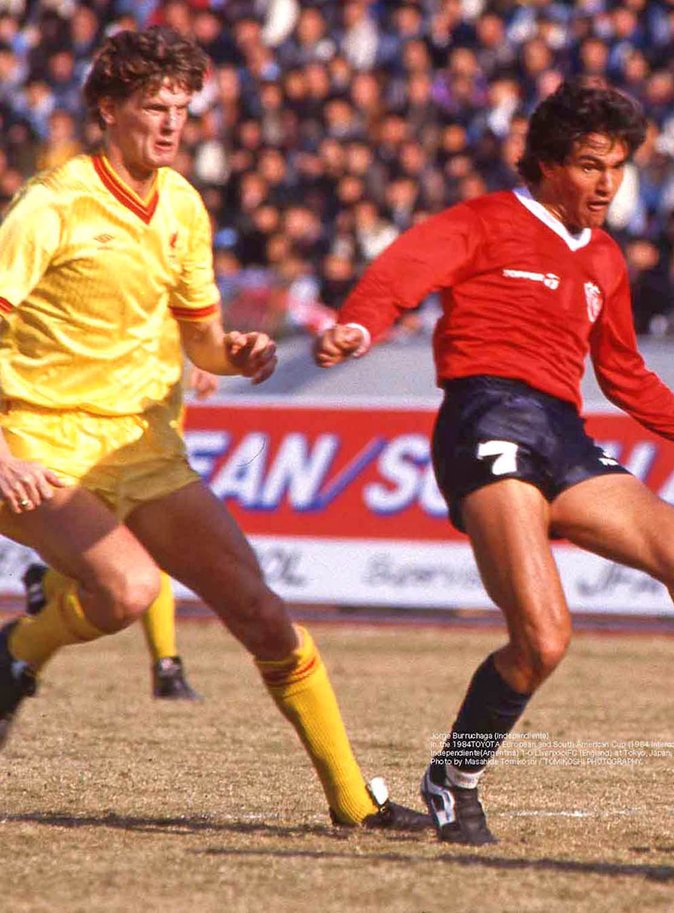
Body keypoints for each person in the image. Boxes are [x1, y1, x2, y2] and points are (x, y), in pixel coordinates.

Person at [314, 79, 674, 846]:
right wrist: (359, 328)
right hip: (484, 419)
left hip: (562, 434)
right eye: (593, 164)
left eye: (620, 166)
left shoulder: (603, 258)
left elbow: (625, 376)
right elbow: (400, 273)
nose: (608, 183)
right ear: (546, 163)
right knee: (543, 640)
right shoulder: (488, 220)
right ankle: (454, 775)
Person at [0, 26, 427, 831]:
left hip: (146, 448)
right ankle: (21, 646)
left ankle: (353, 802)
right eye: (152, 107)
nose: (169, 124)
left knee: (263, 613)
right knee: (126, 589)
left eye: (181, 109)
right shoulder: (50, 204)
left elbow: (201, 339)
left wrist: (237, 352)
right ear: (106, 110)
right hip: (42, 442)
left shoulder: (185, 206)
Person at [21, 365, 218, 701]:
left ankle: (47, 592)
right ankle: (165, 666)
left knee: (148, 544)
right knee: (135, 546)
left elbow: (183, 315)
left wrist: (203, 352)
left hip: (154, 396)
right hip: (92, 396)